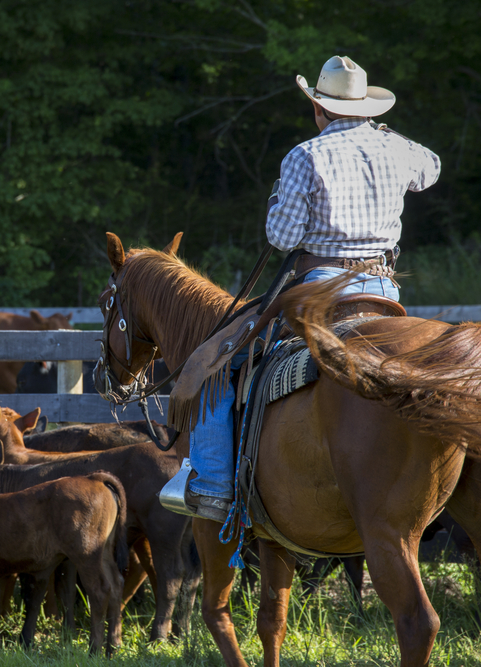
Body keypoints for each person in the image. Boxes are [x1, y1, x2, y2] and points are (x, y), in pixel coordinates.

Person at [185, 55, 442, 523]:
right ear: (366, 109)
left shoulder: (304, 156)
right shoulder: (396, 148)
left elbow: (282, 238)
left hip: (323, 290)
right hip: (384, 289)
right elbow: (433, 167)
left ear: (318, 107)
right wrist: (383, 134)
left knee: (222, 363)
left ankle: (214, 485)